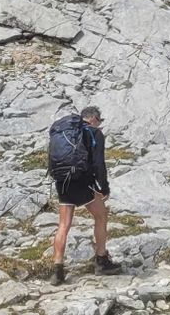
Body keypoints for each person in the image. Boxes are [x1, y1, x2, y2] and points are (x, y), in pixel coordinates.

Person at [47, 105, 120, 284]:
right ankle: (102, 260)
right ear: (94, 118)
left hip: (62, 181)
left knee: (64, 224)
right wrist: (104, 188)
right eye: (100, 120)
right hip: (81, 181)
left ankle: (57, 270)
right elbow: (99, 164)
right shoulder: (94, 134)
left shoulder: (65, 132)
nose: (100, 124)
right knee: (101, 215)